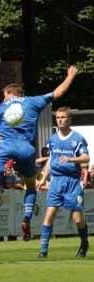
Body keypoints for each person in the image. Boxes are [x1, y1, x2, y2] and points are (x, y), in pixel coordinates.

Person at [0, 66, 78, 241]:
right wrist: (70, 76)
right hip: (27, 150)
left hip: (7, 147)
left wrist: (7, 155)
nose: (4, 98)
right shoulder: (33, 101)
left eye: (4, 95)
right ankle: (27, 218)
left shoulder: (0, 108)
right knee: (31, 186)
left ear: (9, 93)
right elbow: (57, 93)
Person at [36, 107, 89, 257]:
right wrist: (43, 178)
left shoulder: (77, 138)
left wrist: (71, 159)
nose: (60, 120)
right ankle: (43, 250)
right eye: (58, 117)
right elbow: (51, 160)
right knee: (49, 214)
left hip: (72, 182)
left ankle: (84, 242)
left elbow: (86, 158)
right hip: (56, 182)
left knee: (78, 219)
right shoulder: (52, 139)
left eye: (63, 117)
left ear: (69, 119)